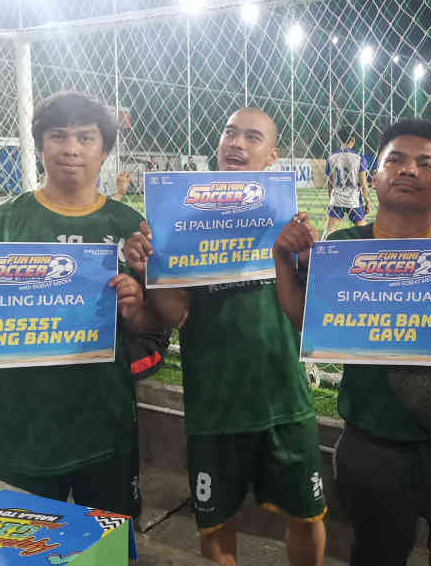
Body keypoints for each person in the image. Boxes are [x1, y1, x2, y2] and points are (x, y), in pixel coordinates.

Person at [0, 91, 171, 516]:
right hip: (21, 428)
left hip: (104, 425)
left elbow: (153, 326)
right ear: (40, 145)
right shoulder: (0, 224)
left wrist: (136, 308)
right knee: (26, 543)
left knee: (109, 540)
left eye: (85, 137)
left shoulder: (130, 227)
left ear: (104, 150)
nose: (71, 148)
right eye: (58, 136)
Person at [273, 119, 431, 566]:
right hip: (372, 439)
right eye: (396, 160)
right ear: (374, 178)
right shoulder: (344, 245)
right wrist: (282, 258)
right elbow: (306, 322)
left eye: (426, 164)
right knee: (376, 552)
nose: (409, 169)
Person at [125, 107, 327, 566]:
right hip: (214, 403)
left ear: (273, 155)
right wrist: (152, 267)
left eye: (252, 137)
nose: (236, 143)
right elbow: (178, 316)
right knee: (215, 525)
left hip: (283, 398)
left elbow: (309, 315)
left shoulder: (286, 220)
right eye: (230, 133)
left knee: (307, 516)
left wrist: (307, 257)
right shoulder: (181, 218)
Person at [323, 126, 371, 238]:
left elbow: (329, 184)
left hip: (337, 198)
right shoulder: (359, 158)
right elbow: (364, 185)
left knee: (329, 232)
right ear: (353, 139)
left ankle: (323, 248)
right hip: (353, 200)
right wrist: (367, 201)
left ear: (339, 139)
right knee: (364, 233)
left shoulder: (331, 158)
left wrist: (331, 199)